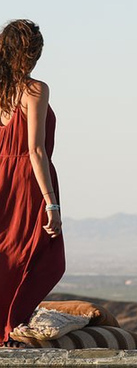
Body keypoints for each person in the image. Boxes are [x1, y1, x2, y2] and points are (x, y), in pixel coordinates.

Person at [0, 19, 65, 348]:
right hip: (26, 183)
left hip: (1, 179)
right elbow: (35, 150)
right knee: (39, 256)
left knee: (6, 253)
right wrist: (51, 203)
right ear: (30, 53)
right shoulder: (34, 89)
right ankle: (8, 326)